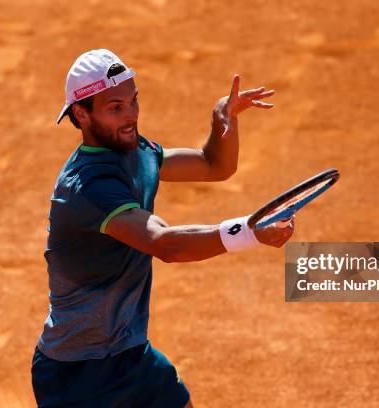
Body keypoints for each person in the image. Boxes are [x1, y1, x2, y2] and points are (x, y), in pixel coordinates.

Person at [31, 49, 294, 408]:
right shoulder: (88, 185)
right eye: (115, 107)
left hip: (131, 354)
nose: (131, 116)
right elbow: (166, 244)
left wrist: (223, 119)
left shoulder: (136, 151)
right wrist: (248, 231)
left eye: (133, 101)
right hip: (77, 374)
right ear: (81, 113)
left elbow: (214, 165)